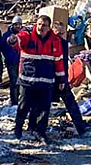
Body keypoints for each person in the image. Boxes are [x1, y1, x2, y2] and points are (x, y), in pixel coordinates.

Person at [8, 15, 65, 144]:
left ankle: (40, 132)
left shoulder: (55, 41)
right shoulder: (28, 35)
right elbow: (19, 40)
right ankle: (18, 129)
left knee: (43, 109)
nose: (40, 27)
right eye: (39, 24)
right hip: (28, 80)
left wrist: (61, 79)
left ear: (49, 27)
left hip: (46, 81)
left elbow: (59, 61)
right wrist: (13, 40)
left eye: (44, 25)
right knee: (23, 106)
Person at [1, 16, 23, 106]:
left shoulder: (22, 34)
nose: (18, 26)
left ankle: (21, 101)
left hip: (21, 61)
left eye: (19, 24)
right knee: (13, 82)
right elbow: (3, 48)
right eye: (16, 24)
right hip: (11, 62)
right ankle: (14, 101)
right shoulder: (7, 35)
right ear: (13, 25)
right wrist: (8, 57)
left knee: (21, 81)